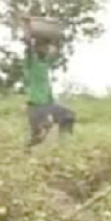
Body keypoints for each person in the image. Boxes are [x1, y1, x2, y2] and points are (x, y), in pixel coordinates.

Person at [21, 18, 75, 148]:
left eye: (46, 47)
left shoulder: (45, 63)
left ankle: (64, 144)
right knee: (38, 136)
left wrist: (59, 32)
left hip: (47, 103)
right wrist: (27, 27)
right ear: (37, 47)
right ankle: (25, 152)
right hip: (35, 105)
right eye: (43, 46)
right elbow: (28, 44)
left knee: (68, 115)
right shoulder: (31, 61)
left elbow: (56, 48)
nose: (46, 49)